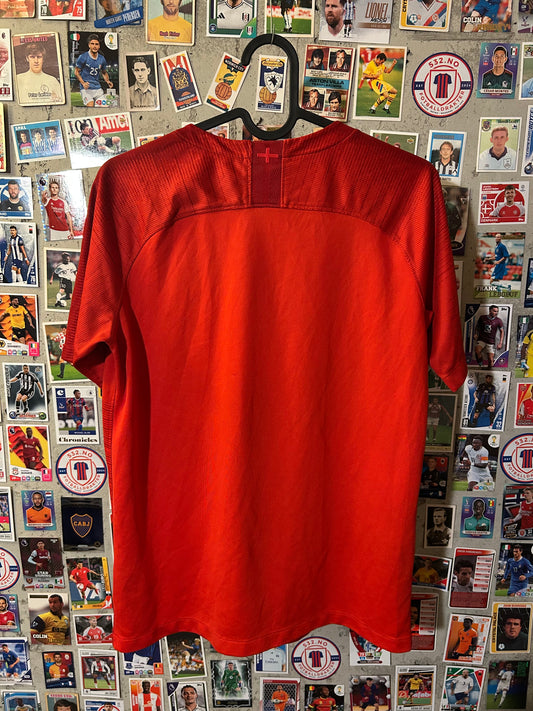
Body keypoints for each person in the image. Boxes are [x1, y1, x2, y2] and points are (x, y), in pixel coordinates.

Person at [74, 34, 113, 108]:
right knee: (90, 105)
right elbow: (76, 72)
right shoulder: (83, 57)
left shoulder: (102, 59)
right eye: (92, 44)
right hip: (86, 89)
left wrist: (107, 81)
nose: (94, 46)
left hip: (98, 88)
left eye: (96, 44)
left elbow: (104, 72)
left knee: (105, 107)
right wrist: (83, 83)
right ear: (89, 45)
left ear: (99, 46)